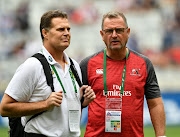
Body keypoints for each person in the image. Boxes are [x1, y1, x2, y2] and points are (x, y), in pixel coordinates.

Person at [0, 10, 95, 137]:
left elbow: (66, 108)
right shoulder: (33, 65)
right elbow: (5, 108)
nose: (67, 33)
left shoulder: (74, 65)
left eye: (68, 29)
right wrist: (45, 104)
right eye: (61, 29)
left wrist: (83, 102)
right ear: (45, 33)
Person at [80, 11, 166, 137]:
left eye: (119, 30)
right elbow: (76, 104)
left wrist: (161, 136)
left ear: (128, 32)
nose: (114, 35)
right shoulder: (87, 64)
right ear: (102, 34)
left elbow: (155, 103)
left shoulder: (144, 63)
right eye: (109, 31)